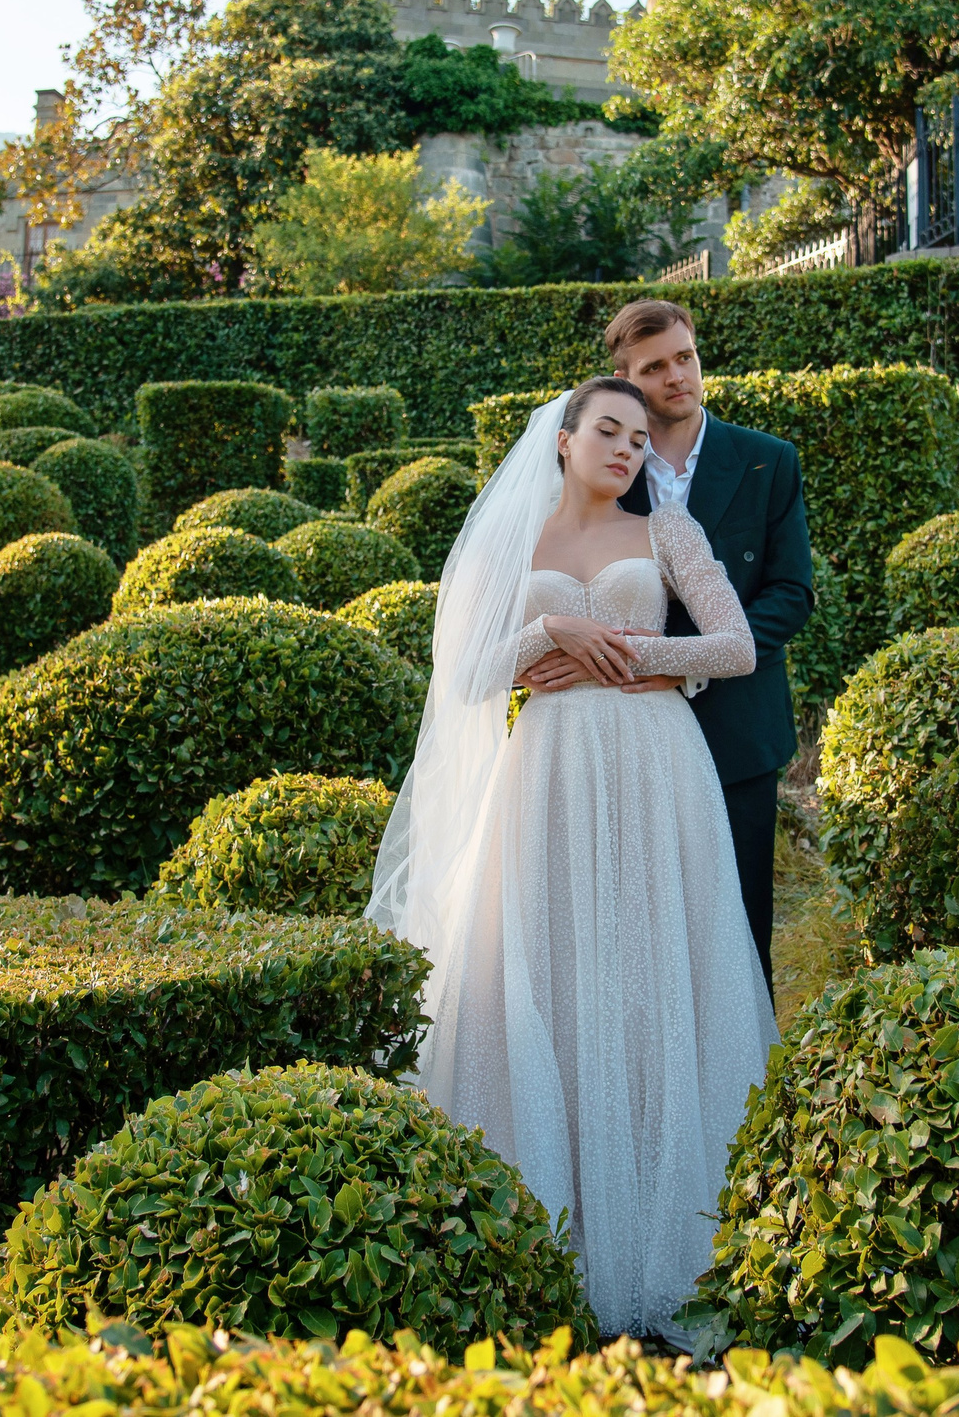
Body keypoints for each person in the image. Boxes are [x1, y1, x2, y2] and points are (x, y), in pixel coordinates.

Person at [367, 377, 779, 1344]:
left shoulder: (668, 532)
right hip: (549, 771)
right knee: (553, 970)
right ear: (562, 438)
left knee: (654, 972)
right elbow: (464, 672)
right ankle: (554, 1233)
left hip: (655, 766)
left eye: (642, 437)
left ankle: (678, 1232)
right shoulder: (518, 543)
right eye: (610, 430)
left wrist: (628, 649)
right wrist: (551, 630)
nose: (630, 449)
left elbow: (736, 646)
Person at [521, 299, 812, 991]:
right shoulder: (606, 470)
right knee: (613, 929)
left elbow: (789, 594)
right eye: (655, 366)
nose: (677, 375)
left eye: (686, 356)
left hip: (737, 725)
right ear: (626, 378)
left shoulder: (768, 460)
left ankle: (741, 1091)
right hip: (604, 739)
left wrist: (663, 661)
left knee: (734, 929)